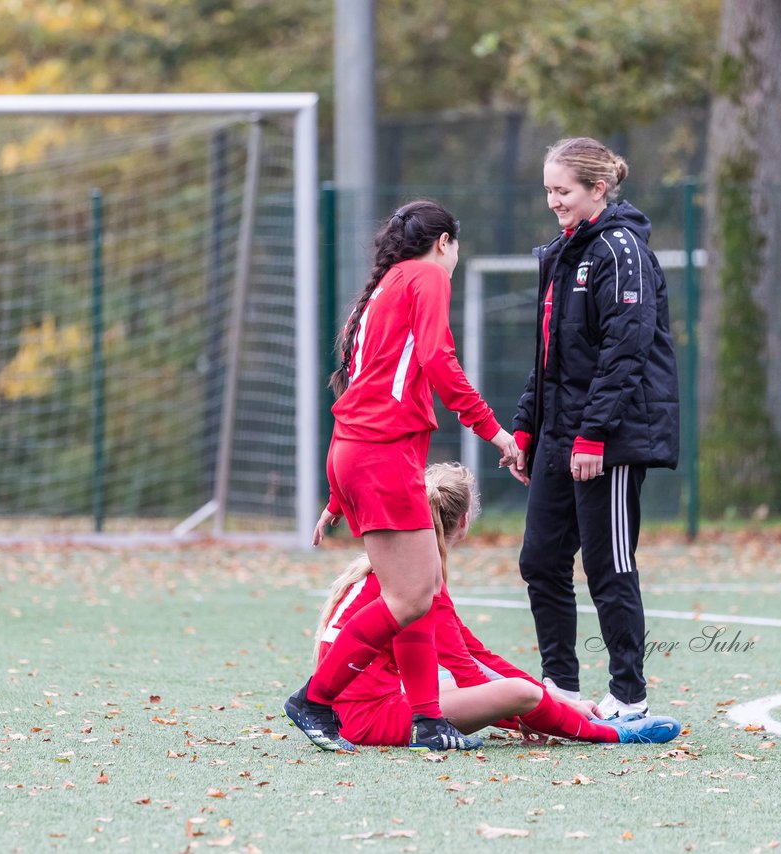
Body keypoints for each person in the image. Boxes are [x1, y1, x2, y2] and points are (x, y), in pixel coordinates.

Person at [284, 200, 520, 753]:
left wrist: (339, 496)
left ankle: (427, 719)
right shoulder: (426, 276)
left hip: (358, 451)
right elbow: (440, 361)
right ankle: (314, 700)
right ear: (443, 242)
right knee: (412, 595)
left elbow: (363, 390)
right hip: (379, 454)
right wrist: (497, 434)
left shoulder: (388, 282)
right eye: (456, 247)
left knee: (417, 591)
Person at [311, 462, 682, 750]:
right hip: (367, 720)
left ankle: (573, 716)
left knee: (460, 681)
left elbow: (472, 654)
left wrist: (547, 703)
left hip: (357, 711)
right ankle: (606, 734)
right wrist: (542, 709)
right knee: (515, 693)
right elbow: (475, 674)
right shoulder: (416, 581)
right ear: (464, 520)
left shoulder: (399, 566)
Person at [509, 137, 680, 721]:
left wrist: (594, 436)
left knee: (609, 564)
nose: (553, 201)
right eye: (549, 191)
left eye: (564, 191)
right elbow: (549, 356)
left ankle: (629, 694)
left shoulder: (623, 248)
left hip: (606, 441)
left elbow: (626, 351)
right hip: (559, 436)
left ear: (597, 189)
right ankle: (560, 689)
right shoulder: (562, 253)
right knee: (540, 560)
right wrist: (527, 428)